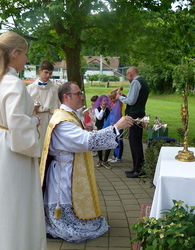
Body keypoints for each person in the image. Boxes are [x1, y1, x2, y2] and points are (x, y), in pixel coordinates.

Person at [40, 81, 133, 243]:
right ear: (66, 96)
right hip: (64, 171)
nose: (82, 97)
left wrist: (86, 128)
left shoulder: (68, 115)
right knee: (67, 215)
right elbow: (87, 141)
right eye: (78, 94)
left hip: (70, 167)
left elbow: (79, 136)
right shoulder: (62, 120)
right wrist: (116, 127)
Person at [0, 31, 47, 250]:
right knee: (17, 206)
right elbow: (18, 130)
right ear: (15, 53)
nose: (27, 59)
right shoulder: (14, 84)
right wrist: (34, 121)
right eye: (25, 53)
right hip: (13, 155)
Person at [117, 66, 150, 178]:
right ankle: (137, 167)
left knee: (134, 142)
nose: (127, 77)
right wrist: (125, 96)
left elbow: (131, 101)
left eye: (127, 74)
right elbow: (134, 98)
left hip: (135, 115)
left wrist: (119, 98)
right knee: (136, 141)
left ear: (131, 73)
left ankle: (138, 170)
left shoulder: (136, 82)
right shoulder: (143, 82)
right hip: (139, 113)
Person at [27, 61, 61, 155]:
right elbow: (25, 106)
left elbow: (59, 106)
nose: (48, 75)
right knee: (37, 145)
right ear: (40, 71)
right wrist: (33, 109)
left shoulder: (55, 88)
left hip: (50, 119)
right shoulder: (30, 88)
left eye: (50, 73)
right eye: (46, 72)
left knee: (49, 145)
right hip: (36, 119)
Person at [106, 87, 125, 163]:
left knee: (119, 139)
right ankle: (115, 155)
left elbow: (118, 95)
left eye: (113, 98)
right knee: (114, 139)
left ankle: (119, 157)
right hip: (113, 123)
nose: (112, 100)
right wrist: (116, 89)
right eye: (110, 98)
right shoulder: (112, 103)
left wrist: (118, 90)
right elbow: (109, 94)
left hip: (119, 122)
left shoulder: (119, 102)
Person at [93, 95, 112, 169]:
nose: (105, 102)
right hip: (100, 127)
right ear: (100, 102)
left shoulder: (108, 110)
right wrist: (102, 110)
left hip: (107, 128)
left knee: (109, 143)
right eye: (104, 101)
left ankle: (105, 160)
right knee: (99, 143)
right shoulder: (97, 109)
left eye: (106, 101)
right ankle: (100, 160)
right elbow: (99, 117)